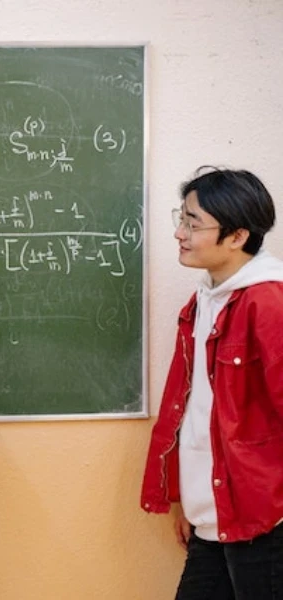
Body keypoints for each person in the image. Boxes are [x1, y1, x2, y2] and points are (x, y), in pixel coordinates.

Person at [141, 167, 283, 598]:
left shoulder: (268, 302)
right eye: (180, 219)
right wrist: (193, 500)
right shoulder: (205, 301)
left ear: (238, 236)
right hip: (216, 518)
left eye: (193, 223)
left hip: (265, 521)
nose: (180, 233)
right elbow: (196, 412)